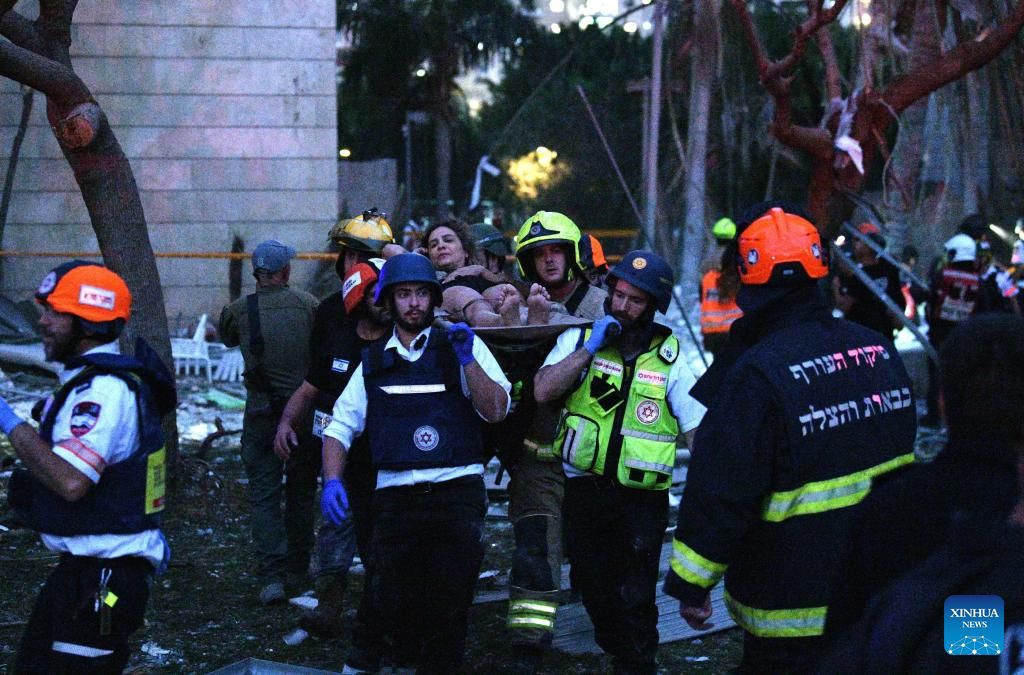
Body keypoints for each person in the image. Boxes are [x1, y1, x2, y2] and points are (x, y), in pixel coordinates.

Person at [664, 206, 917, 674]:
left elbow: (721, 488)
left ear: (748, 279)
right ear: (819, 269)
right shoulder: (877, 350)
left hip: (788, 611)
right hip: (873, 595)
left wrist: (690, 583)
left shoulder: (755, 374)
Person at [321, 253, 511, 674]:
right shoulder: (371, 362)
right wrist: (332, 480)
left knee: (449, 607)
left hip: (456, 492)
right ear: (388, 301)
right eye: (403, 294)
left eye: (421, 294)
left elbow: (496, 409)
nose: (413, 304)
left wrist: (468, 361)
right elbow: (338, 428)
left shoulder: (463, 345)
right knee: (382, 602)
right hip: (395, 495)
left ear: (434, 299)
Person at [818, 313, 1024, 673]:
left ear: (942, 402)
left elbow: (842, 642)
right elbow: (970, 652)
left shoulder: (891, 511)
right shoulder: (996, 521)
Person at [533, 250, 706, 675]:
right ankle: (619, 648)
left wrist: (711, 488)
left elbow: (699, 431)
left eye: (636, 301)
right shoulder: (579, 339)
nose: (623, 307)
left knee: (636, 594)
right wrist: (589, 350)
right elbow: (542, 390)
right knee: (591, 586)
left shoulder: (672, 357)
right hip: (584, 491)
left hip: (641, 501)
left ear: (654, 307)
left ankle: (636, 663)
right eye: (619, 295)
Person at [3, 262, 174, 672]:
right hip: (86, 573)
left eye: (55, 313)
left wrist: (9, 422)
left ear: (88, 324)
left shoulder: (103, 391)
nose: (43, 322)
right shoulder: (88, 383)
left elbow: (71, 480)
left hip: (104, 581)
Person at [272, 210, 396, 635]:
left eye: (371, 257)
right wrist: (289, 422)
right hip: (332, 444)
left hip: (383, 449)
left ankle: (380, 608)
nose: (360, 266)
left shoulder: (400, 318)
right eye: (354, 256)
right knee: (334, 522)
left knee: (379, 529)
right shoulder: (329, 314)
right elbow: (313, 379)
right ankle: (329, 602)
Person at [503, 211, 610, 673]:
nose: (548, 261)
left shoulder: (609, 306)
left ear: (572, 255)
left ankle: (610, 624)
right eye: (538, 254)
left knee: (598, 549)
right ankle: (530, 641)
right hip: (539, 451)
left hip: (599, 457)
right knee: (534, 547)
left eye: (556, 251)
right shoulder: (520, 309)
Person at [219, 240, 319, 604]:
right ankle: (299, 565)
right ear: (286, 271)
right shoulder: (309, 306)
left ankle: (271, 578)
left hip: (261, 417)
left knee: (264, 494)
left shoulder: (239, 310)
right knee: (302, 491)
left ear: (256, 274)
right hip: (303, 417)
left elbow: (228, 338)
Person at [423, 219, 547, 327]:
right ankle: (501, 321)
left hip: (480, 286)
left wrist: (485, 273)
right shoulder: (431, 278)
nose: (441, 246)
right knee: (466, 297)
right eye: (434, 245)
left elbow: (509, 283)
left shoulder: (479, 273)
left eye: (448, 240)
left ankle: (528, 317)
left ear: (466, 251)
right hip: (452, 292)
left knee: (502, 292)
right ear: (428, 255)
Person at [923, 231, 979, 427]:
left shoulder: (944, 275)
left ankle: (934, 416)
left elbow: (931, 300)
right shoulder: (977, 279)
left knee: (938, 379)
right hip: (965, 334)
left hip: (940, 334)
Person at [831, 222, 905, 341]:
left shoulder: (877, 272)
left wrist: (836, 288)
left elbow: (844, 306)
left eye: (858, 240)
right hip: (871, 337)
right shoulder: (881, 270)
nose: (855, 245)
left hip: (873, 336)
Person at [699, 217, 743, 358]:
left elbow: (702, 297)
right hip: (734, 330)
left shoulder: (706, 267)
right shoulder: (739, 264)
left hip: (712, 332)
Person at [974, 240, 1021, 316]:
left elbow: (1013, 296)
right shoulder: (971, 274)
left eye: (976, 257)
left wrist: (1003, 294)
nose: (973, 260)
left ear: (985, 258)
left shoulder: (999, 276)